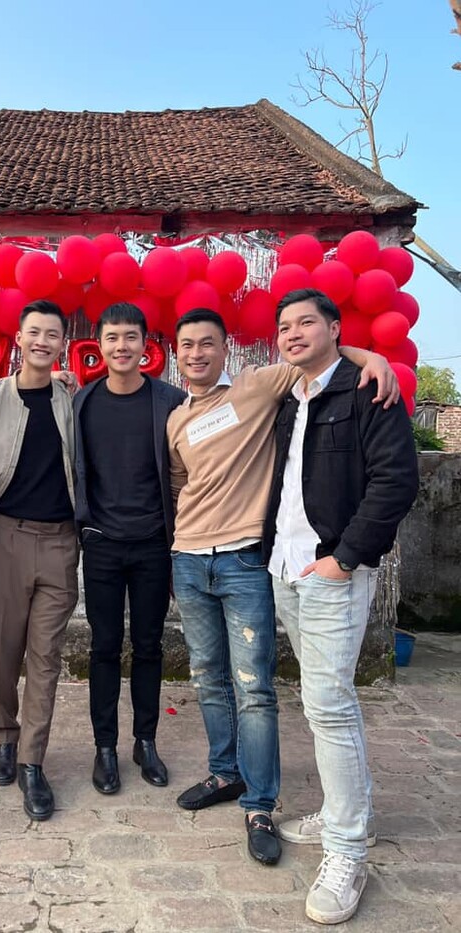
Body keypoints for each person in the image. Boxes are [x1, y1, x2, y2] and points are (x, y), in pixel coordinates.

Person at [166, 307, 398, 868]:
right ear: (176, 353)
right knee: (208, 677)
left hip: (246, 558)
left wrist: (374, 356)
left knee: (254, 686)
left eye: (207, 343)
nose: (196, 353)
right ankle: (225, 771)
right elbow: (180, 483)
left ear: (226, 349)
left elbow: (319, 358)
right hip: (189, 560)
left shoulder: (257, 386)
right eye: (187, 345)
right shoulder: (175, 419)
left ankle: (259, 803)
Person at [263, 289, 418, 924]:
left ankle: (348, 850)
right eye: (284, 326)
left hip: (333, 572)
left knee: (330, 706)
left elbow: (396, 481)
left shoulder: (368, 392)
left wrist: (345, 558)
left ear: (335, 328)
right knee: (319, 700)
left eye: (307, 322)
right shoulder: (289, 398)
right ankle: (343, 813)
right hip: (286, 568)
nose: (293, 334)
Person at [0, 299, 77, 822]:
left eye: (52, 334)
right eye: (34, 332)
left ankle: (32, 761)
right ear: (19, 339)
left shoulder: (71, 399)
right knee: (4, 649)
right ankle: (4, 737)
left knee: (45, 656)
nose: (42, 342)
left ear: (62, 344)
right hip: (7, 536)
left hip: (61, 543)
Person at [74, 302, 185, 794]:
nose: (122, 346)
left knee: (148, 646)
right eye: (112, 337)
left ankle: (145, 741)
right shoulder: (81, 403)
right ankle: (105, 747)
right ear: (99, 344)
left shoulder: (171, 401)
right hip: (101, 544)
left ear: (146, 345)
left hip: (153, 545)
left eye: (131, 337)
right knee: (103, 647)